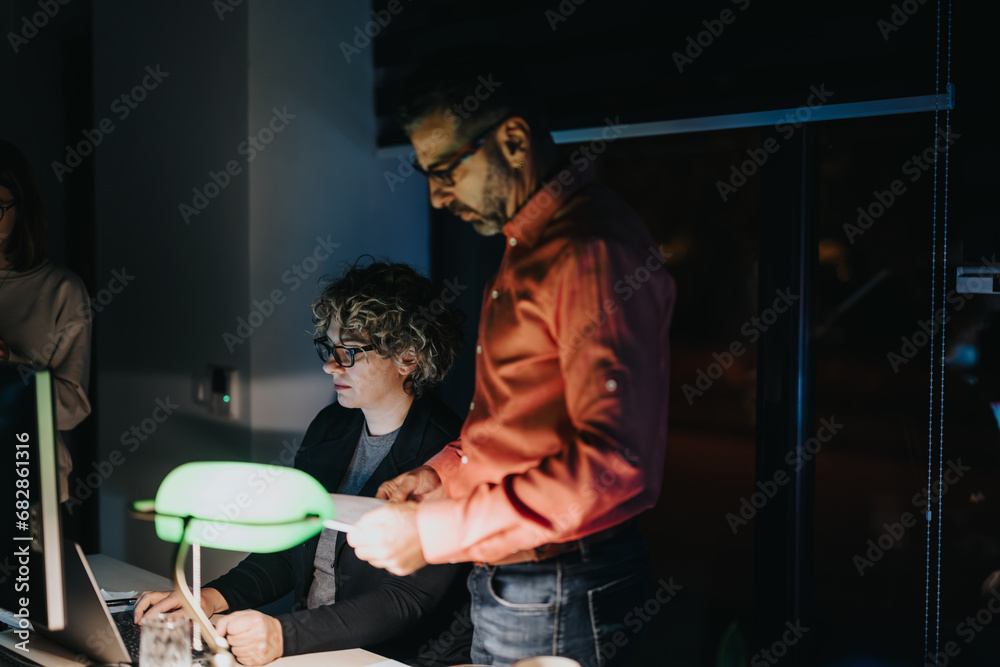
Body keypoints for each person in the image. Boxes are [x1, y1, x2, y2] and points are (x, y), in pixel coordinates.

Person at [348, 52, 676, 667]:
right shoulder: (526, 244)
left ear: (515, 141)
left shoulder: (587, 251)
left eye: (446, 171)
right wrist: (441, 476)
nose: (437, 198)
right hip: (520, 580)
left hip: (563, 587)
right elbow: (514, 425)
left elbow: (614, 464)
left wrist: (432, 533)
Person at [134, 260, 472, 667]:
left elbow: (405, 601)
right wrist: (207, 598)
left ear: (408, 357)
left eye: (349, 351)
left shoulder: (446, 456)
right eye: (329, 348)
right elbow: (289, 549)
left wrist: (283, 635)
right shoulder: (332, 426)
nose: (330, 365)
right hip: (316, 650)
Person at [0, 139, 91, 505]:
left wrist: (11, 364)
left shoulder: (61, 290)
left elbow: (72, 408)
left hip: (24, 479)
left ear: (22, 208)